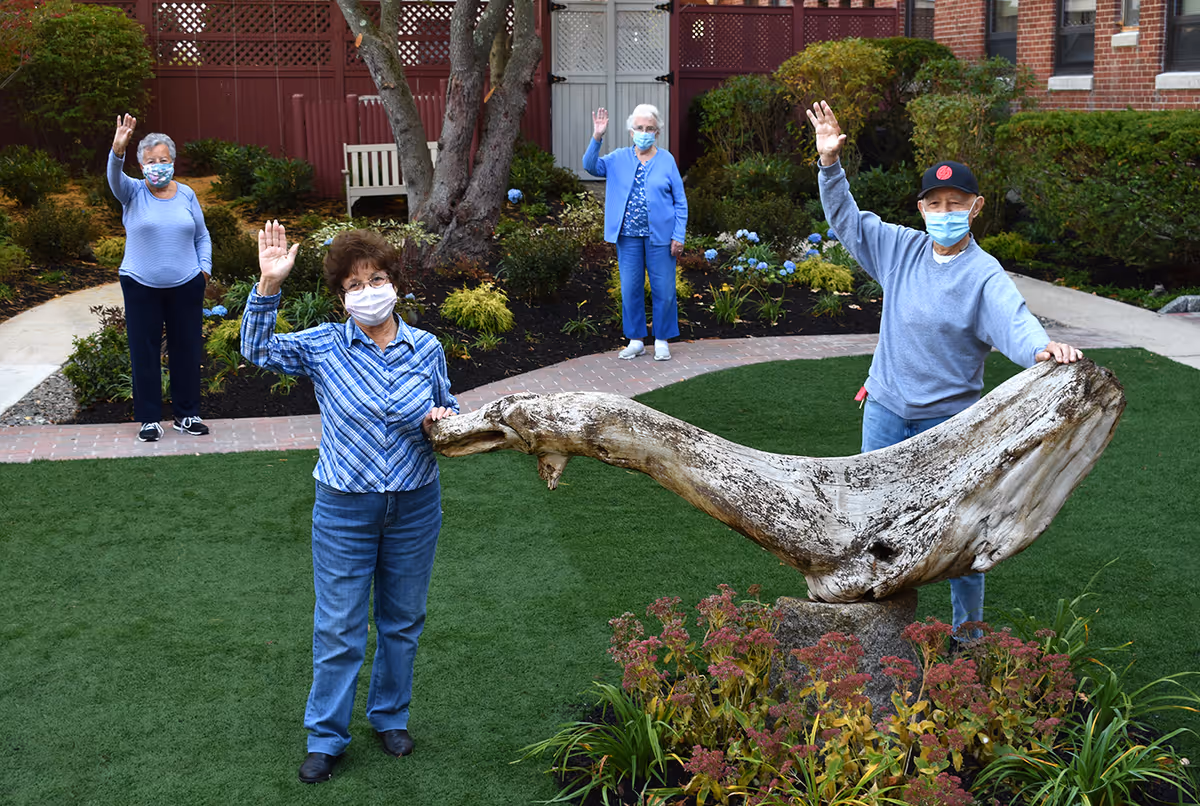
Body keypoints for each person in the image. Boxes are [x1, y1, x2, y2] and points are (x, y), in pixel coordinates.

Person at [806, 100, 1083, 642]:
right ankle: (870, 621)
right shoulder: (900, 250)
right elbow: (846, 222)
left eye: (956, 202)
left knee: (959, 533)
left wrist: (1043, 349)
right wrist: (829, 165)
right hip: (885, 411)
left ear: (975, 208)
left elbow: (1015, 322)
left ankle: (968, 636)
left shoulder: (983, 275)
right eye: (935, 203)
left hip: (950, 424)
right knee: (869, 517)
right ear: (922, 208)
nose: (945, 210)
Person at [241, 223, 458, 784]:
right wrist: (268, 284)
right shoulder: (323, 346)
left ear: (394, 283)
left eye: (377, 278)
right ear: (341, 296)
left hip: (415, 505)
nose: (368, 290)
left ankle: (390, 717)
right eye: (355, 284)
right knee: (339, 627)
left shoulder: (426, 347)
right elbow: (256, 348)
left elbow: (448, 409)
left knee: (403, 621)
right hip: (343, 508)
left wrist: (443, 421)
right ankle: (326, 736)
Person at [108, 114, 212, 442]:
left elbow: (202, 236)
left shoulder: (187, 195)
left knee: (187, 350)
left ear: (173, 162)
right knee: (145, 351)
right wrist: (117, 149)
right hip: (140, 284)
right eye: (151, 161)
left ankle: (187, 414)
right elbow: (113, 177)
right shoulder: (132, 192)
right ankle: (150, 419)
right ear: (141, 166)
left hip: (186, 285)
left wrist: (204, 270)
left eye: (163, 160)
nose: (158, 165)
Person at [584, 104, 687, 362]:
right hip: (627, 237)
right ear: (631, 132)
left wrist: (679, 235)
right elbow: (590, 166)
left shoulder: (667, 160)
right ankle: (636, 340)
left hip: (661, 238)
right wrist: (597, 136)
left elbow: (680, 201)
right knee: (630, 289)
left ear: (657, 132)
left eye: (649, 128)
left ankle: (662, 340)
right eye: (639, 128)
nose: (644, 132)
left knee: (664, 289)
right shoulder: (618, 158)